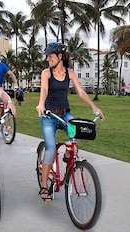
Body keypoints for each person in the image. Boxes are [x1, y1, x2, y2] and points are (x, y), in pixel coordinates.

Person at [35, 42, 104, 202]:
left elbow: (80, 91)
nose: (48, 59)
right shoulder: (47, 73)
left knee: (79, 132)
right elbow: (44, 89)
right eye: (47, 56)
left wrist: (94, 107)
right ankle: (44, 186)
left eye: (50, 56)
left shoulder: (70, 73)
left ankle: (68, 155)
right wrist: (41, 104)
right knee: (51, 149)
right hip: (48, 115)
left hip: (65, 114)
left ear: (60, 57)